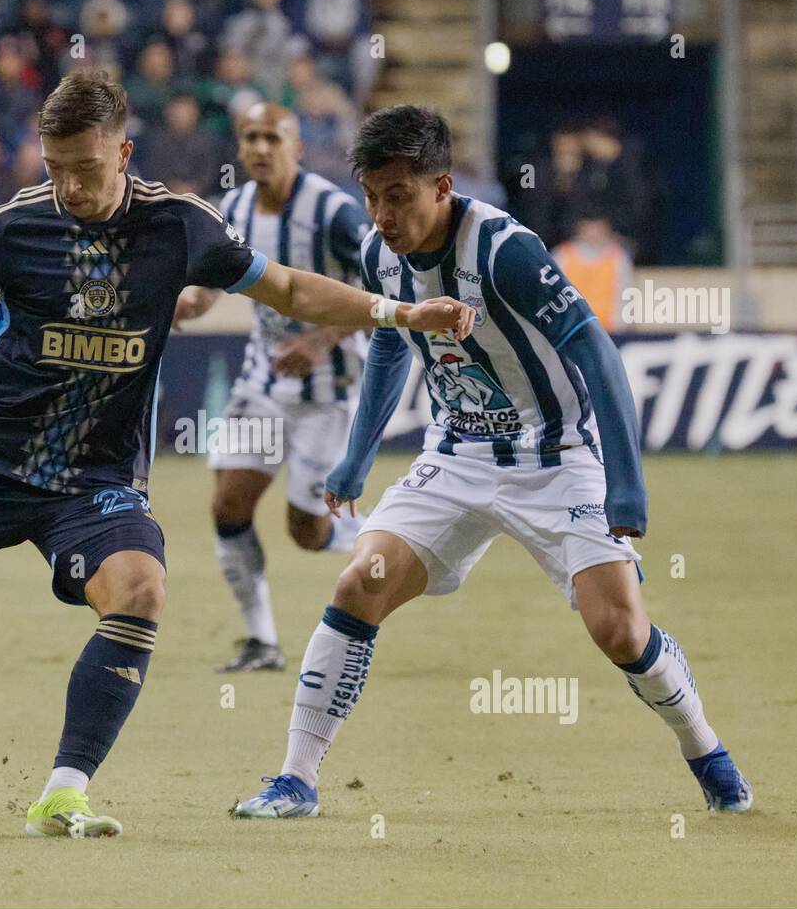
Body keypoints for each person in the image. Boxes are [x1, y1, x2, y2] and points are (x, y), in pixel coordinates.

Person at [0, 72, 471, 840]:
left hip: (96, 482)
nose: (69, 185)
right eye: (54, 167)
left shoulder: (181, 226)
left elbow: (292, 292)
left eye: (87, 168)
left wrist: (399, 312)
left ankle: (64, 791)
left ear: (125, 153)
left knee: (140, 589)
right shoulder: (12, 228)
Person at [233, 105, 752, 819]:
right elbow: (388, 341)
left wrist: (627, 481)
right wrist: (357, 455)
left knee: (620, 631)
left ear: (442, 186)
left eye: (399, 196)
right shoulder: (380, 253)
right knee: (359, 582)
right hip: (459, 452)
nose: (382, 215)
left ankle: (707, 751)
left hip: (557, 456)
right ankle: (297, 778)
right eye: (372, 196)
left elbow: (595, 350)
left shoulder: (506, 250)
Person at [175, 102, 369, 672]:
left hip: (330, 391)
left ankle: (371, 532)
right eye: (251, 138)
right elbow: (209, 286)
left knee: (305, 532)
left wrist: (319, 341)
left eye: (273, 138)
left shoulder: (333, 212)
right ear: (240, 148)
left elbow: (383, 289)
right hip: (262, 383)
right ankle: (262, 641)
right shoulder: (231, 206)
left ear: (298, 147)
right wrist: (182, 303)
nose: (261, 148)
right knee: (228, 504)